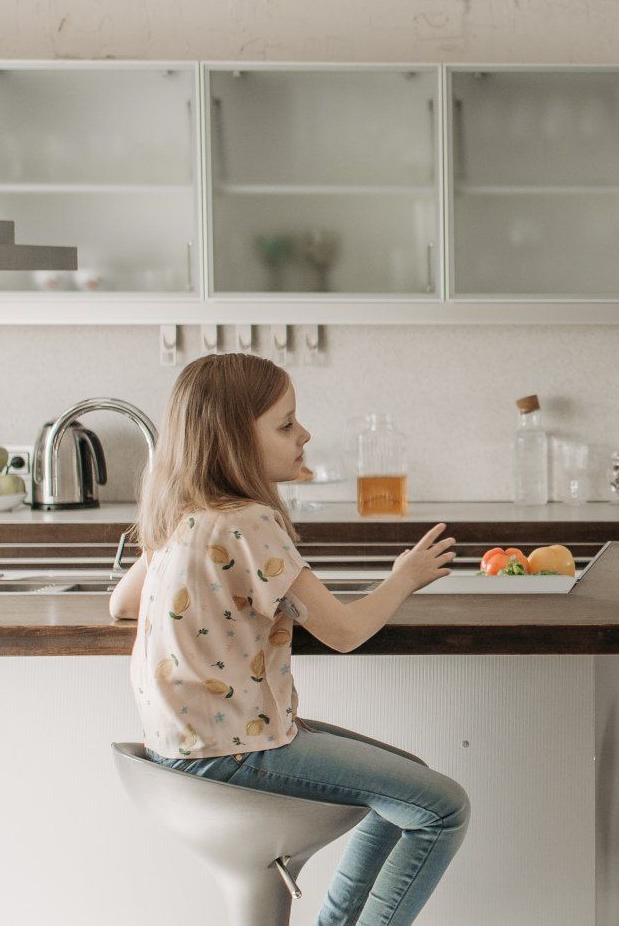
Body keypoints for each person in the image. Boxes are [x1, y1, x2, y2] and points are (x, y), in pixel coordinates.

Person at [109, 352, 467, 926]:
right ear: (232, 440)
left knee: (408, 783)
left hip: (184, 749)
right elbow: (345, 632)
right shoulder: (249, 521)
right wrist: (405, 579)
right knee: (442, 807)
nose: (305, 434)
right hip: (235, 753)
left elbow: (121, 604)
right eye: (285, 424)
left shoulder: (180, 512)